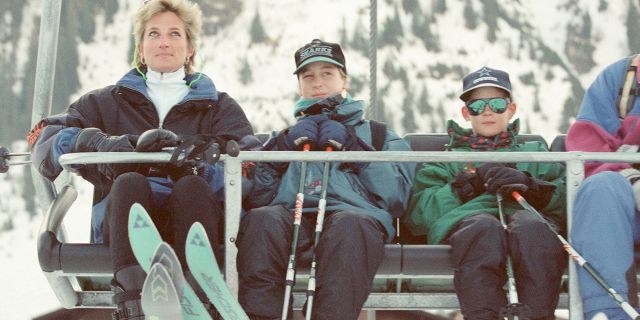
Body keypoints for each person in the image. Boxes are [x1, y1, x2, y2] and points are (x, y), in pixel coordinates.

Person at [27, 0, 255, 318]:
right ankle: (132, 299)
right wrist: (98, 144)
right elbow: (42, 138)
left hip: (193, 212)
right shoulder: (105, 104)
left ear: (190, 48)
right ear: (141, 47)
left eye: (175, 34)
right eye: (154, 34)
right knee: (130, 182)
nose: (164, 42)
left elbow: (250, 163)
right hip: (126, 216)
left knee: (191, 185)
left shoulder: (217, 108)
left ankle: (198, 296)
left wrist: (207, 158)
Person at [236, 39, 415, 320]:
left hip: (352, 219)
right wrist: (277, 152)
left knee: (349, 226)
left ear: (344, 79)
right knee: (261, 220)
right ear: (300, 85)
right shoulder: (285, 137)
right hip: (291, 215)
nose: (317, 82)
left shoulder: (377, 136)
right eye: (308, 76)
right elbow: (257, 197)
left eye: (327, 73)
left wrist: (356, 151)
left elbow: (397, 195)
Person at [403, 67, 567, 319]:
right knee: (482, 228)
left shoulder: (535, 154)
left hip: (527, 219)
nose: (488, 111)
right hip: (471, 224)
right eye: (478, 106)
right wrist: (466, 188)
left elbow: (569, 197)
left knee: (531, 226)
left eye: (498, 104)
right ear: (466, 113)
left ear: (511, 110)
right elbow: (417, 216)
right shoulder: (445, 160)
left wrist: (533, 188)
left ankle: (537, 315)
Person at [566, 56, 640, 319]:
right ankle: (611, 310)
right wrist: (630, 180)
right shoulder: (622, 80)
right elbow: (588, 152)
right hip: (627, 206)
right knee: (600, 189)